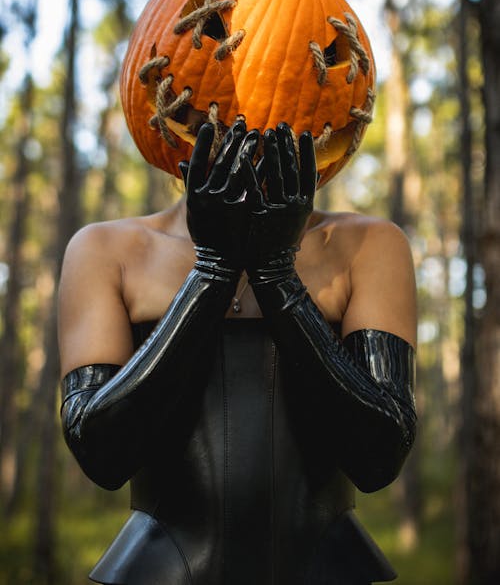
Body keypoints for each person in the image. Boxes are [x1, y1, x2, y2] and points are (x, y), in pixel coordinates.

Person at [58, 119, 417, 585]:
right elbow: (101, 453)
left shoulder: (369, 245)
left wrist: (276, 275)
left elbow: (379, 455)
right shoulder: (106, 249)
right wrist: (213, 270)